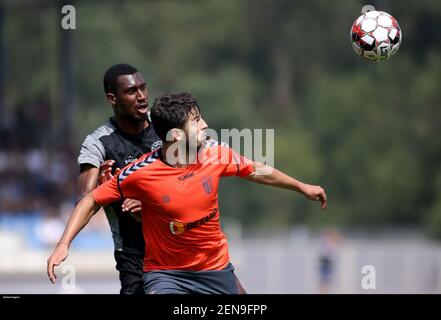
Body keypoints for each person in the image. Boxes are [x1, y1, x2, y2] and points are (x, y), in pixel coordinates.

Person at [47, 92, 327, 294]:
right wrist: (63, 244)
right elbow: (91, 199)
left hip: (216, 270)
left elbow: (255, 169)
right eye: (196, 121)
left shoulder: (215, 155)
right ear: (177, 136)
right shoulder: (140, 172)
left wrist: (301, 186)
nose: (205, 125)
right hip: (167, 277)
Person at [47, 64, 162, 294]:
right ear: (112, 98)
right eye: (131, 92)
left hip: (177, 239)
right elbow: (86, 199)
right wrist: (64, 243)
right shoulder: (98, 143)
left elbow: (188, 175)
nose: (141, 97)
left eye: (143, 88)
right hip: (134, 253)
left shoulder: (164, 125)